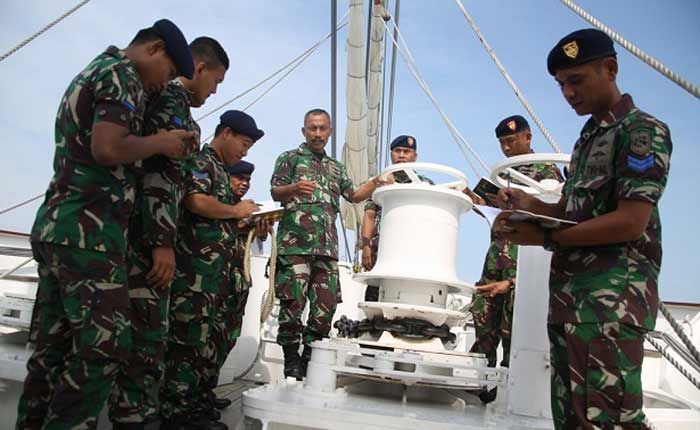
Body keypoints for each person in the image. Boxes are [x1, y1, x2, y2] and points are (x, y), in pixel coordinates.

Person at [15, 19, 195, 430]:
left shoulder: (95, 68)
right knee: (107, 349)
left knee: (52, 352)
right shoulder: (122, 74)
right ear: (154, 49)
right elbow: (108, 146)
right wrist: (163, 142)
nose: (161, 85)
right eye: (167, 73)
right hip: (89, 236)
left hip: (57, 229)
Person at [494, 29, 672, 429]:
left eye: (577, 80)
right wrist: (533, 207)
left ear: (610, 69)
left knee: (607, 420)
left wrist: (545, 237)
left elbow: (631, 221)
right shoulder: (588, 139)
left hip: (610, 304)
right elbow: (576, 211)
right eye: (561, 85)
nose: (568, 93)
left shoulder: (639, 131)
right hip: (572, 303)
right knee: (575, 419)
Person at [110, 36, 229, 428]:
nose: (213, 93)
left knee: (152, 341)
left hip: (147, 237)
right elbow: (162, 178)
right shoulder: (173, 102)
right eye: (215, 82)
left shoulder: (168, 101)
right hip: (149, 242)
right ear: (199, 69)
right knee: (147, 342)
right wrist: (161, 242)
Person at [159, 110, 263, 429]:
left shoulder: (219, 168)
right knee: (187, 343)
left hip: (212, 275)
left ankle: (193, 401)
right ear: (226, 133)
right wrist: (235, 210)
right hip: (193, 273)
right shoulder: (203, 163)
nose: (244, 152)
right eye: (243, 144)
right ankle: (175, 411)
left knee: (203, 342)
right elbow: (195, 201)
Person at [270, 108, 391, 379]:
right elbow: (275, 191)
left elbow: (355, 195)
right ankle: (291, 359)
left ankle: (309, 357)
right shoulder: (289, 159)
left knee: (325, 308)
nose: (317, 133)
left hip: (326, 250)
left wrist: (377, 181)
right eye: (312, 128)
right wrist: (293, 189)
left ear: (330, 131)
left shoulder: (336, 168)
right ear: (304, 131)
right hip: (295, 248)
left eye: (322, 128)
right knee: (292, 306)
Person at [469, 115, 562, 369]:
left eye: (511, 140)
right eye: (502, 143)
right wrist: (472, 198)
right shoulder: (504, 174)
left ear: (528, 137)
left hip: (523, 262)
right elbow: (492, 209)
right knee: (484, 321)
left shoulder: (547, 173)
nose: (506, 148)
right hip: (495, 258)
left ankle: (511, 386)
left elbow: (551, 215)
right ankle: (481, 386)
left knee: (514, 330)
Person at [202, 160, 271, 412]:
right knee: (202, 339)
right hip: (213, 281)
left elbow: (255, 242)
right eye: (238, 178)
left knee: (226, 339)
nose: (244, 184)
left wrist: (260, 229)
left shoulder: (248, 210)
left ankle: (206, 390)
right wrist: (237, 221)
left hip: (237, 283)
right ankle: (188, 397)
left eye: (247, 180)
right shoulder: (217, 205)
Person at [360, 134, 433, 301]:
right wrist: (366, 246)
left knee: (408, 296)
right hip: (383, 249)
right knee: (375, 297)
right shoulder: (380, 182)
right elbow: (370, 215)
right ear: (391, 154)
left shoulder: (425, 184)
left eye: (406, 151)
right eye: (397, 151)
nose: (401, 155)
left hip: (413, 250)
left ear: (415, 156)